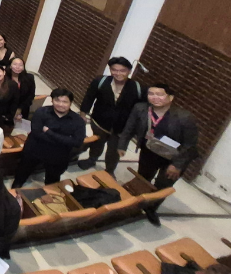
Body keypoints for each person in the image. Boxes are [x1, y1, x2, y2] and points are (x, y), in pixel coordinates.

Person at [117, 84, 199, 225]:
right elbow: (129, 127)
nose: (155, 97)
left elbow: (190, 145)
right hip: (150, 151)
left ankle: (151, 208)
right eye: (151, 94)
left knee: (163, 185)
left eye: (160, 94)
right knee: (144, 178)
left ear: (170, 97)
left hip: (174, 157)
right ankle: (135, 204)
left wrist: (177, 165)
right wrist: (122, 144)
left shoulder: (185, 117)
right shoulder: (140, 109)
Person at [79, 57, 144, 176]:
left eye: (122, 70)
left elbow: (142, 110)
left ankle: (109, 170)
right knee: (97, 143)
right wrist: (83, 113)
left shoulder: (138, 88)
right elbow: (89, 97)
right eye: (114, 70)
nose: (118, 73)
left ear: (129, 70)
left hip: (122, 128)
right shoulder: (100, 81)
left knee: (114, 151)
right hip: (100, 122)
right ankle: (92, 159)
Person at [12, 88, 86, 188]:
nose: (60, 104)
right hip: (35, 150)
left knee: (52, 182)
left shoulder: (78, 121)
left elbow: (77, 142)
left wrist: (49, 133)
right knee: (21, 174)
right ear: (52, 100)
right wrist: (65, 139)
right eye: (57, 100)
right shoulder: (41, 112)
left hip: (58, 156)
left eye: (65, 102)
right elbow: (37, 133)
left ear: (71, 103)